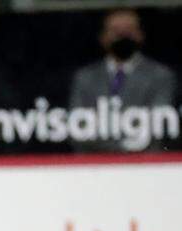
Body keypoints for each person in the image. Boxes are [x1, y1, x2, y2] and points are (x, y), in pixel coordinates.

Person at [70, 8, 178, 153]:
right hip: (95, 161)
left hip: (145, 162)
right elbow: (78, 126)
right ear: (103, 37)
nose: (122, 36)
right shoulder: (85, 77)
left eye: (128, 30)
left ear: (140, 35)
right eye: (115, 31)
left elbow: (158, 125)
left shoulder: (160, 76)